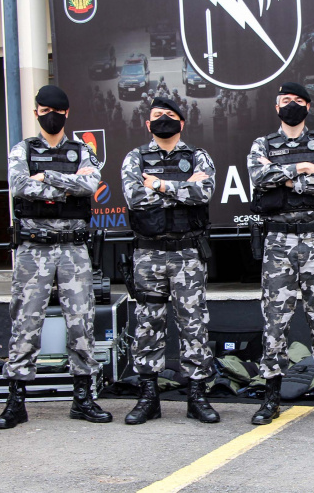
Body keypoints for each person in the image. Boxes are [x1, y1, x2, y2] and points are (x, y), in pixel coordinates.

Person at [0, 85, 112, 429]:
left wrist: (45, 175)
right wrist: (66, 183)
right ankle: (16, 401)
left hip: (73, 249)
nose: (51, 115)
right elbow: (19, 186)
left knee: (81, 322)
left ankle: (83, 399)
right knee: (25, 322)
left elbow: (89, 185)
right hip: (33, 248)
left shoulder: (81, 150)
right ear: (36, 112)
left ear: (67, 113)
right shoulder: (23, 149)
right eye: (44, 109)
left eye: (57, 110)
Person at [246, 82, 314, 425]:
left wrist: (287, 179)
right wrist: (304, 170)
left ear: (307, 106)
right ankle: (271, 396)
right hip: (278, 243)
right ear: (276, 107)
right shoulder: (261, 144)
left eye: (297, 100)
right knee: (275, 322)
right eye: (284, 101)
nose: (290, 105)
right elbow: (260, 177)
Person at [120, 97, 219, 424]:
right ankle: (148, 396)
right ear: (148, 124)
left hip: (187, 253)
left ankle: (197, 397)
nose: (164, 120)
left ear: (182, 122)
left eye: (170, 115)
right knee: (148, 323)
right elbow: (135, 198)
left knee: (194, 324)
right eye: (157, 116)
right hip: (148, 254)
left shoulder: (197, 157)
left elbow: (202, 194)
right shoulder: (135, 158)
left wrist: (159, 184)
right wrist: (180, 189)